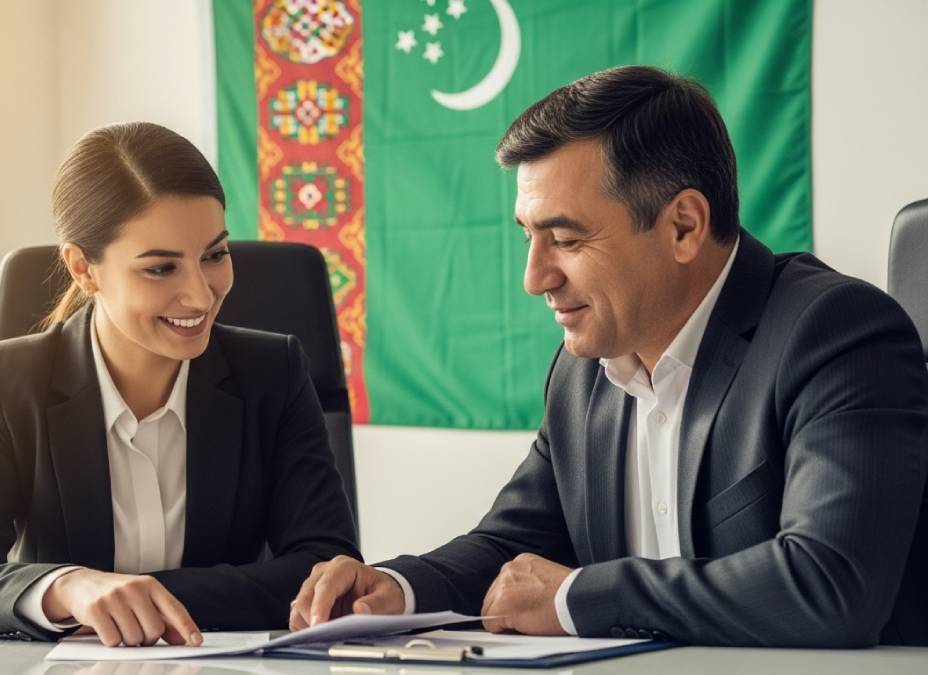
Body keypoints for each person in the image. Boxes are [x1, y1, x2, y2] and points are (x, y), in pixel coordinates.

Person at [289, 65, 928, 647]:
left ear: (683, 225)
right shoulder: (582, 370)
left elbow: (830, 585)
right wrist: (394, 589)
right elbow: (513, 545)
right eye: (529, 238)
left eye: (565, 238)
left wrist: (576, 596)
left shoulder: (836, 333)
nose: (535, 278)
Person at [0, 122, 360, 646]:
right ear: (83, 269)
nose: (200, 295)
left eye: (214, 255)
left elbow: (327, 573)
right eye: (160, 269)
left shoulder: (273, 372)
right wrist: (67, 589)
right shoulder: (5, 382)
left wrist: (134, 597)